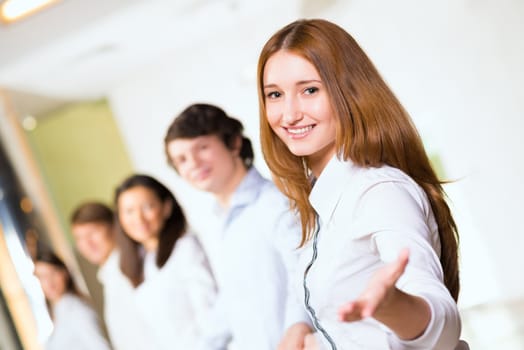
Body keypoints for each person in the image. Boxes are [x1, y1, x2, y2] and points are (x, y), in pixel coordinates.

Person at [257, 19, 463, 350]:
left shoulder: (379, 191)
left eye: (310, 90)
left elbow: (443, 326)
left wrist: (394, 307)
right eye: (275, 95)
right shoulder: (320, 202)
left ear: (348, 90)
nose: (289, 113)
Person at [164, 103, 310, 350]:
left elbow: (305, 273)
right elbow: (231, 299)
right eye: (181, 159)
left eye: (202, 148)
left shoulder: (275, 203)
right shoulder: (219, 220)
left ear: (234, 144)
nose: (193, 163)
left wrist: (298, 327)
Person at [114, 174, 218, 350]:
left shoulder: (186, 248)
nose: (138, 219)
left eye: (147, 207)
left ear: (166, 207)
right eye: (129, 211)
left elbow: (210, 314)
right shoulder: (142, 261)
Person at [71, 201, 150, 350]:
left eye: (93, 233)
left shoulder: (132, 269)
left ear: (114, 228)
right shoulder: (108, 276)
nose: (88, 243)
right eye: (79, 238)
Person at [34, 250, 111, 350]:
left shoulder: (77, 310)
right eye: (42, 277)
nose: (49, 282)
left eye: (53, 273)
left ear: (64, 273)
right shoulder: (58, 314)